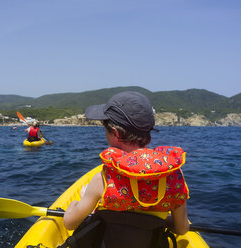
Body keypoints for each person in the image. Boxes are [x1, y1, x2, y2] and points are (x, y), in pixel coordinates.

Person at [63, 91, 190, 247]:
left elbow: (69, 223)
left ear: (115, 134)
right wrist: (161, 219)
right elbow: (182, 228)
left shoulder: (103, 179)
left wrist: (77, 203)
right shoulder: (173, 177)